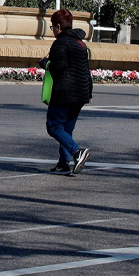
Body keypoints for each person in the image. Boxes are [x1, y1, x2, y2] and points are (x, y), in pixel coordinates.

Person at [38, 9, 93, 176]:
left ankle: (77, 152)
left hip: (64, 93)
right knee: (66, 130)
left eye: (53, 27)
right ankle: (63, 163)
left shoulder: (61, 43)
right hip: (80, 93)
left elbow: (59, 66)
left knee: (53, 126)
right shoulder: (80, 43)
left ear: (59, 27)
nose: (53, 31)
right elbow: (85, 70)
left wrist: (46, 63)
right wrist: (88, 93)